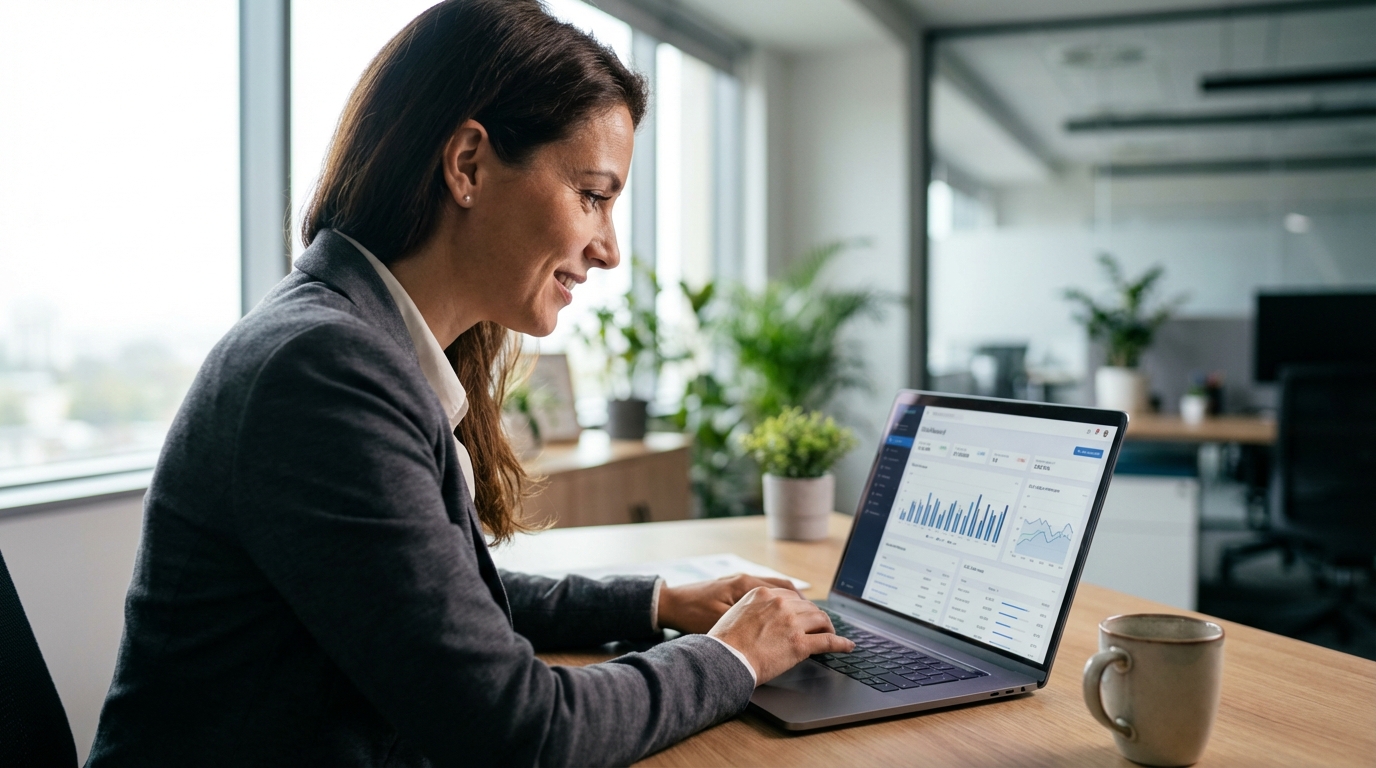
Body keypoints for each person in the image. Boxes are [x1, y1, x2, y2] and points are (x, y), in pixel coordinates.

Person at [87, 1, 852, 765]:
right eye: (593, 194)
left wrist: (654, 602)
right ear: (469, 165)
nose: (609, 248)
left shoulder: (353, 343)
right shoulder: (323, 370)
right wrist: (734, 658)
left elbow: (440, 602)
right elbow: (519, 732)